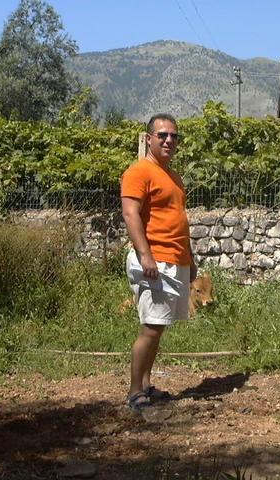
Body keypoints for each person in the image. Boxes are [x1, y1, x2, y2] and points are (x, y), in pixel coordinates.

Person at [120, 113, 197, 412]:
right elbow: (130, 214)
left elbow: (178, 219)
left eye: (174, 136)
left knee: (159, 326)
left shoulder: (173, 176)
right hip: (154, 260)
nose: (168, 140)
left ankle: (146, 385)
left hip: (174, 260)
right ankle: (134, 392)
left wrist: (190, 259)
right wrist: (145, 254)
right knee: (151, 327)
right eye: (162, 135)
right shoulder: (139, 171)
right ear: (149, 138)